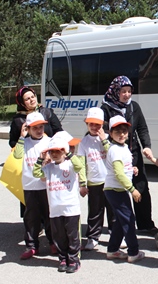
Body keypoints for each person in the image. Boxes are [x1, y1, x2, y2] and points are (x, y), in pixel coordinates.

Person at [101, 76, 158, 234]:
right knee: (117, 189)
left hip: (133, 153)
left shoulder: (134, 107)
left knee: (141, 187)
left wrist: (147, 147)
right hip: (116, 154)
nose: (126, 95)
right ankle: (117, 228)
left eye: (129, 91)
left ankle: (145, 223)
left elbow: (142, 129)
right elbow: (103, 132)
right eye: (123, 91)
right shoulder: (106, 109)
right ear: (115, 91)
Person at [33, 136, 85, 274]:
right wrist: (41, 159)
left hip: (71, 208)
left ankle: (74, 259)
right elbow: (36, 173)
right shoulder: (48, 168)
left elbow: (79, 166)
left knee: (72, 236)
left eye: (58, 151)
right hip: (55, 209)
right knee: (59, 236)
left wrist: (68, 153)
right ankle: (63, 258)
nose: (55, 154)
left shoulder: (70, 165)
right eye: (52, 152)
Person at [9, 86, 63, 217]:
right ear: (22, 103)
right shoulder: (18, 120)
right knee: (31, 199)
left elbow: (59, 132)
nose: (31, 100)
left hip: (48, 160)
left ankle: (49, 223)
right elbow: (12, 141)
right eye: (27, 99)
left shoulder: (47, 113)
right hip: (29, 163)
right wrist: (23, 138)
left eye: (32, 96)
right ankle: (34, 226)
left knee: (48, 196)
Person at [103, 115, 145, 264]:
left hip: (119, 189)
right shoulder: (114, 150)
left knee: (122, 220)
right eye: (117, 132)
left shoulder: (124, 147)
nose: (122, 134)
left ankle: (112, 250)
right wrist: (132, 189)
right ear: (110, 133)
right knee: (128, 220)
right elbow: (118, 173)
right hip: (115, 189)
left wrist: (131, 168)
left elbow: (123, 168)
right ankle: (133, 252)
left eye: (124, 131)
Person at [12, 111, 54, 260]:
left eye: (41, 126)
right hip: (29, 186)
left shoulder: (49, 141)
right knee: (31, 217)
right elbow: (16, 156)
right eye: (34, 127)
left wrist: (50, 159)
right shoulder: (25, 142)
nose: (38, 130)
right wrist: (22, 137)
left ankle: (53, 242)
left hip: (46, 186)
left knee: (50, 215)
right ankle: (31, 245)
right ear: (27, 128)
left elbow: (57, 158)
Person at [77, 107, 113, 251]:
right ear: (86, 124)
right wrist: (82, 183)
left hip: (110, 181)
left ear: (103, 124)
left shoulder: (108, 139)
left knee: (113, 210)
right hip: (94, 182)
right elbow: (81, 164)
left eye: (97, 124)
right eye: (91, 124)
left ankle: (116, 234)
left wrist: (104, 140)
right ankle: (93, 237)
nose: (94, 127)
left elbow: (113, 155)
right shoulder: (84, 142)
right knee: (95, 211)